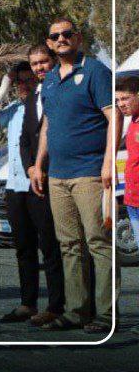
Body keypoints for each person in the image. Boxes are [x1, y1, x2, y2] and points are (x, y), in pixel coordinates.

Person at [29, 18, 114, 334]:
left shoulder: (96, 72)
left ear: (77, 38)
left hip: (90, 173)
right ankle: (76, 311)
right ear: (49, 43)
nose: (61, 39)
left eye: (67, 34)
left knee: (98, 243)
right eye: (55, 36)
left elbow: (113, 117)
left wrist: (108, 164)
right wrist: (39, 164)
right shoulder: (50, 79)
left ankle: (106, 314)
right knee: (68, 244)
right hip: (57, 176)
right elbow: (48, 126)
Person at [0, 57, 64, 327]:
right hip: (15, 186)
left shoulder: (43, 104)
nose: (24, 85)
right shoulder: (14, 109)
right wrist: (4, 85)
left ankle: (56, 305)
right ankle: (28, 303)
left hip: (38, 185)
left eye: (29, 80)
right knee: (23, 248)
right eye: (20, 82)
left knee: (49, 247)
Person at [117, 74, 139, 335]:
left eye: (125, 98)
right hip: (133, 201)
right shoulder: (132, 122)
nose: (121, 104)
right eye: (118, 100)